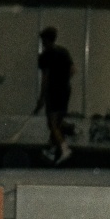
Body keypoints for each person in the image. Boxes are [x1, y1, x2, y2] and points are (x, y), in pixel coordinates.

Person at [35, 27, 74, 165]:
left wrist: (41, 98)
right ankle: (51, 150)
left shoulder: (45, 55)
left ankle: (65, 149)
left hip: (53, 92)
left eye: (43, 40)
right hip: (65, 90)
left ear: (46, 40)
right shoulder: (64, 52)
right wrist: (63, 81)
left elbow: (45, 79)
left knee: (52, 124)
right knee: (57, 122)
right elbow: (72, 70)